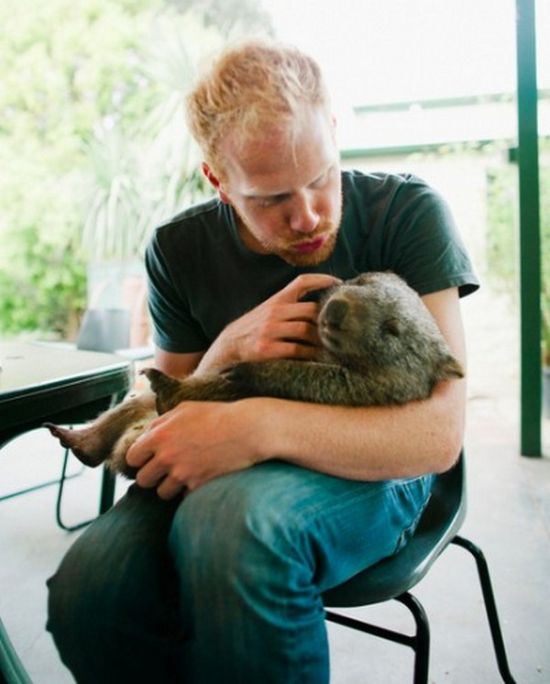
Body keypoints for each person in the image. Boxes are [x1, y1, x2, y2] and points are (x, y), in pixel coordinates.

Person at [47, 40, 478, 683]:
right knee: (90, 590)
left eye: (321, 179)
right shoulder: (177, 250)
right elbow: (173, 398)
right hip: (210, 450)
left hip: (375, 462)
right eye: (271, 198)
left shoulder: (408, 212)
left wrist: (255, 428)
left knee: (233, 530)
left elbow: (437, 434)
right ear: (218, 181)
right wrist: (231, 346)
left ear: (332, 134)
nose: (307, 215)